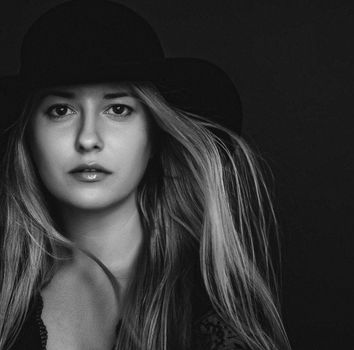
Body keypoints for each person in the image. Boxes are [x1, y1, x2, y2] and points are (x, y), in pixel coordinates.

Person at [0, 1, 291, 349]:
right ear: (28, 136)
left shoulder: (209, 301)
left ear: (154, 134)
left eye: (118, 109)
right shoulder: (8, 297)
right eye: (60, 110)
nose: (88, 138)